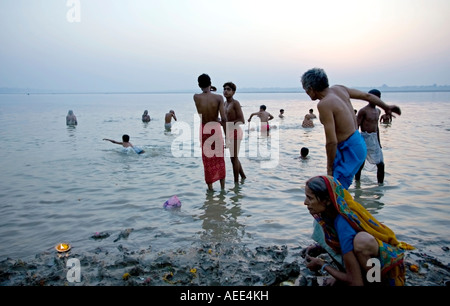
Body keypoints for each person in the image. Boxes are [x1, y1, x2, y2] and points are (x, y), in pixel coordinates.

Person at [302, 175, 413, 286]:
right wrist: (321, 247)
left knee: (361, 241)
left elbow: (356, 282)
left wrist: (322, 265)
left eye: (310, 198)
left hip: (379, 273)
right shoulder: (329, 215)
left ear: (327, 200)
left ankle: (375, 282)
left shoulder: (343, 224)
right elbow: (343, 243)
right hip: (366, 264)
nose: (305, 202)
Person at [301, 67, 401, 189]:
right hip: (358, 142)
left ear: (311, 89)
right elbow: (367, 96)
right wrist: (386, 107)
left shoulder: (324, 104)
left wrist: (329, 169)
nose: (306, 93)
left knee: (335, 192)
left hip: (349, 149)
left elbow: (331, 141)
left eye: (305, 90)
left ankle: (349, 208)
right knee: (335, 191)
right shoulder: (339, 89)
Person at [193, 73, 227, 191]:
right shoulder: (218, 98)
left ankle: (211, 189)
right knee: (219, 158)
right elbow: (223, 118)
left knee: (207, 160)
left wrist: (208, 88)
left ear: (199, 85)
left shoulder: (196, 97)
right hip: (215, 128)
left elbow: (205, 92)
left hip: (204, 129)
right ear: (210, 83)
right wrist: (227, 135)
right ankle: (222, 188)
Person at [355, 89, 385, 185]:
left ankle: (380, 186)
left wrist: (379, 142)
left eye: (378, 97)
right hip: (364, 138)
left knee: (380, 164)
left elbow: (377, 127)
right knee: (361, 163)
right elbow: (356, 126)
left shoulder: (378, 111)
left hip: (374, 139)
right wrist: (356, 142)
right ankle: (357, 183)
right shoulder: (363, 111)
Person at [223, 82, 246, 184]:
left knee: (234, 158)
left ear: (233, 92)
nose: (226, 91)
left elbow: (242, 120)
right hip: (228, 133)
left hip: (236, 132)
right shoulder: (224, 104)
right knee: (233, 158)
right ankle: (243, 177)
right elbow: (225, 120)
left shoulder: (235, 103)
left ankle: (236, 184)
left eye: (228, 89)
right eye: (224, 89)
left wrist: (227, 123)